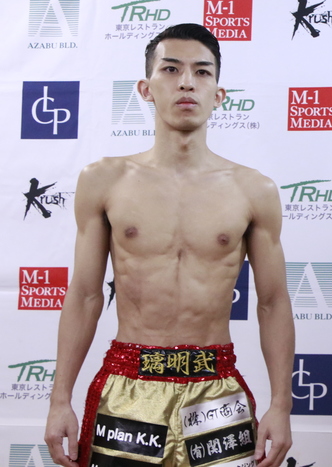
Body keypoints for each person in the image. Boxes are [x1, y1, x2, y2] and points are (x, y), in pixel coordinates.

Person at [44, 23, 294, 467]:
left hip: (215, 387)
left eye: (202, 72)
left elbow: (273, 302)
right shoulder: (104, 180)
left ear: (218, 94)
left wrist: (281, 404)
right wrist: (59, 399)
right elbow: (84, 295)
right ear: (146, 88)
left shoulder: (254, 190)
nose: (186, 82)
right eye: (171, 69)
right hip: (128, 384)